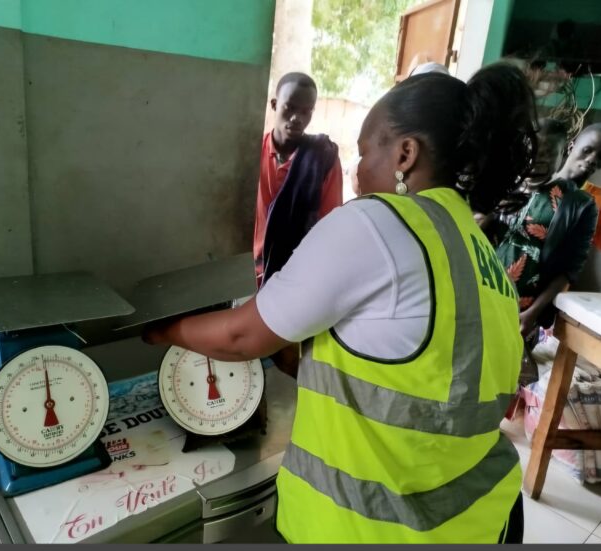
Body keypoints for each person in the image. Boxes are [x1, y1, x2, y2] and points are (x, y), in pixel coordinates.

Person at [144, 62, 537, 543]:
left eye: (365, 151)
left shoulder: (378, 222)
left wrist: (161, 330)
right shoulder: (482, 257)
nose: (355, 169)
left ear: (406, 154)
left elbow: (240, 336)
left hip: (360, 529)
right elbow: (420, 379)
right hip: (466, 524)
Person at [495, 119, 598, 348]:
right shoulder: (507, 184)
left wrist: (532, 314)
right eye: (532, 151)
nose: (537, 160)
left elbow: (568, 271)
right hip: (481, 290)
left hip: (521, 308)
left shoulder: (575, 203)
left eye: (548, 153)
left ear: (562, 154)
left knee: (500, 376)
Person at [253, 72, 343, 288]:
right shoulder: (251, 151)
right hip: (247, 271)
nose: (297, 118)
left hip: (296, 275)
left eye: (306, 111)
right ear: (274, 104)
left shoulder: (323, 158)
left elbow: (329, 225)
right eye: (290, 107)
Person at [555, 122, 601, 254]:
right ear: (571, 146)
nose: (592, 160)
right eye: (587, 150)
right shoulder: (539, 183)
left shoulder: (600, 200)